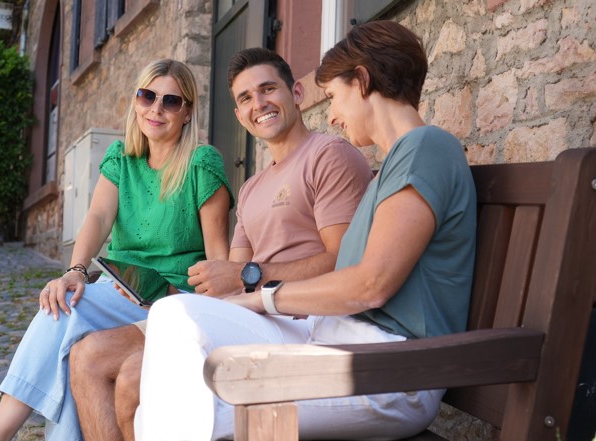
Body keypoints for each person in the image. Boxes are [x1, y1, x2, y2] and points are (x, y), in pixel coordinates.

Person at [135, 20, 477, 441]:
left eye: (333, 96)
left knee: (201, 410)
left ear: (363, 81)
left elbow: (371, 285)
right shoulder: (394, 166)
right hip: (333, 344)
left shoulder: (426, 148)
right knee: (174, 319)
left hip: (388, 370)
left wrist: (266, 298)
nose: (331, 115)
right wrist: (249, 302)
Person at [69, 47, 374, 441]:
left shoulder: (328, 156)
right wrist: (172, 294)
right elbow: (229, 281)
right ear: (238, 115)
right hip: (252, 315)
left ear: (297, 93)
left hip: (299, 320)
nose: (258, 104)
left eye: (268, 90)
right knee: (87, 355)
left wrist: (251, 275)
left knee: (132, 377)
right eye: (245, 98)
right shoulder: (251, 189)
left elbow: (342, 261)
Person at [0, 58, 234, 441]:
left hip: (174, 298)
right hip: (120, 289)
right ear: (135, 101)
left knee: (65, 320)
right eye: (147, 96)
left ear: (187, 112)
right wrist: (75, 271)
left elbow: (219, 257)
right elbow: (98, 216)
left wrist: (198, 310)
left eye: (170, 101)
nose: (156, 109)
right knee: (60, 304)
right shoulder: (122, 159)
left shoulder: (202, 163)